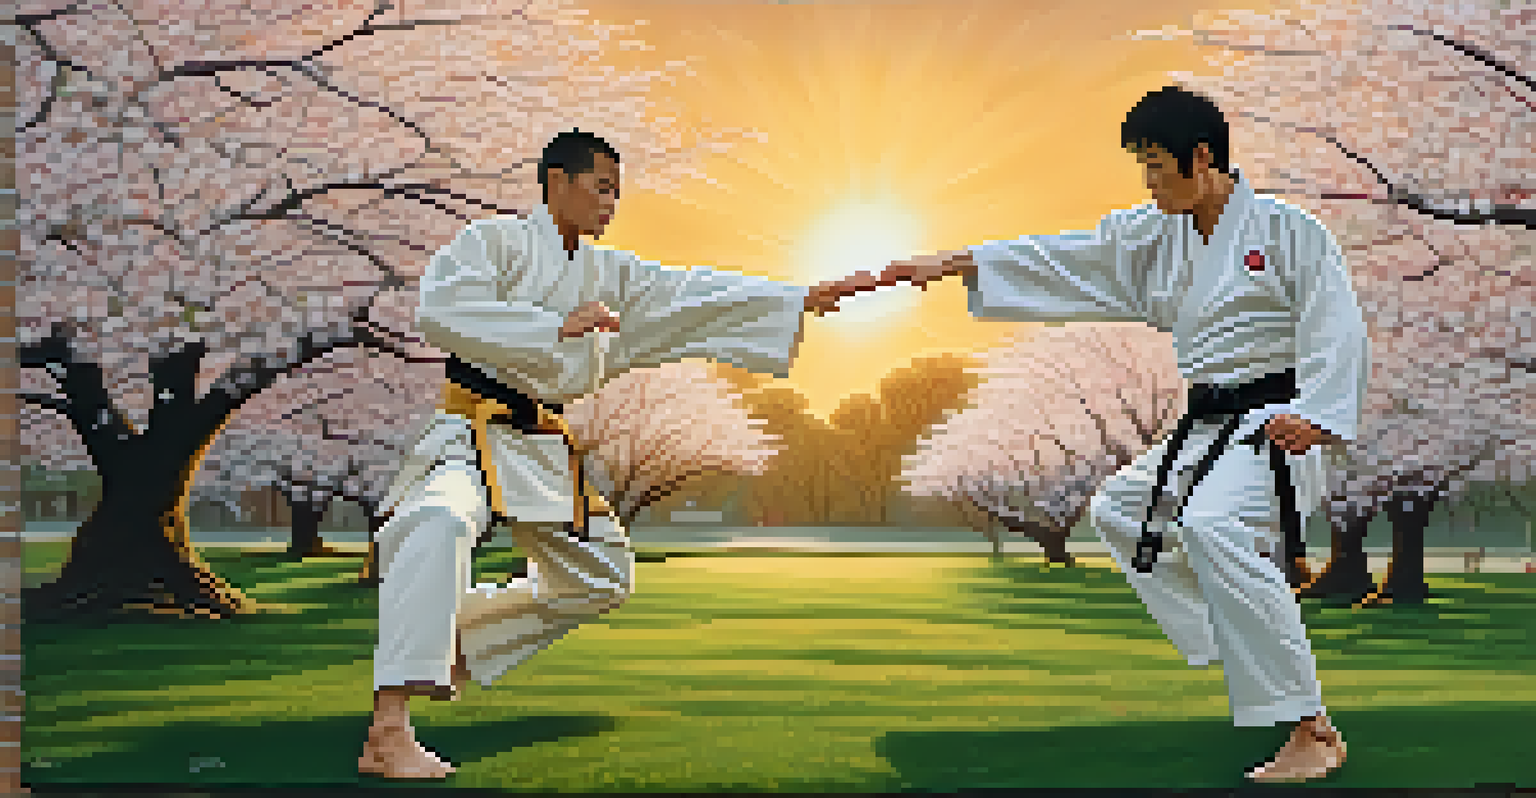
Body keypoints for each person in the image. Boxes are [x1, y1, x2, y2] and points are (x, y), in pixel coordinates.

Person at [874, 86, 1368, 783]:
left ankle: (1311, 730)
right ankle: (1250, 635)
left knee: (1212, 525)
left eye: (1158, 165)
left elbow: (1336, 324)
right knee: (1120, 511)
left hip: (1276, 424)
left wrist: (1317, 414)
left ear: (1203, 158)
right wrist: (954, 263)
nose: (1149, 182)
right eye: (1142, 166)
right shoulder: (1152, 233)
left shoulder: (1289, 233)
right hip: (1205, 427)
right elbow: (1066, 256)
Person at [360, 129, 863, 779]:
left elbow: (689, 293)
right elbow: (441, 308)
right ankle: (388, 728)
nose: (611, 203)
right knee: (437, 520)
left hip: (540, 444)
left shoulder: (609, 273)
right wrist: (550, 327)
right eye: (601, 187)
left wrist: (793, 299)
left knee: (603, 575)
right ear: (555, 183)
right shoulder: (494, 244)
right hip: (468, 426)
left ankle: (452, 639)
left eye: (618, 193)